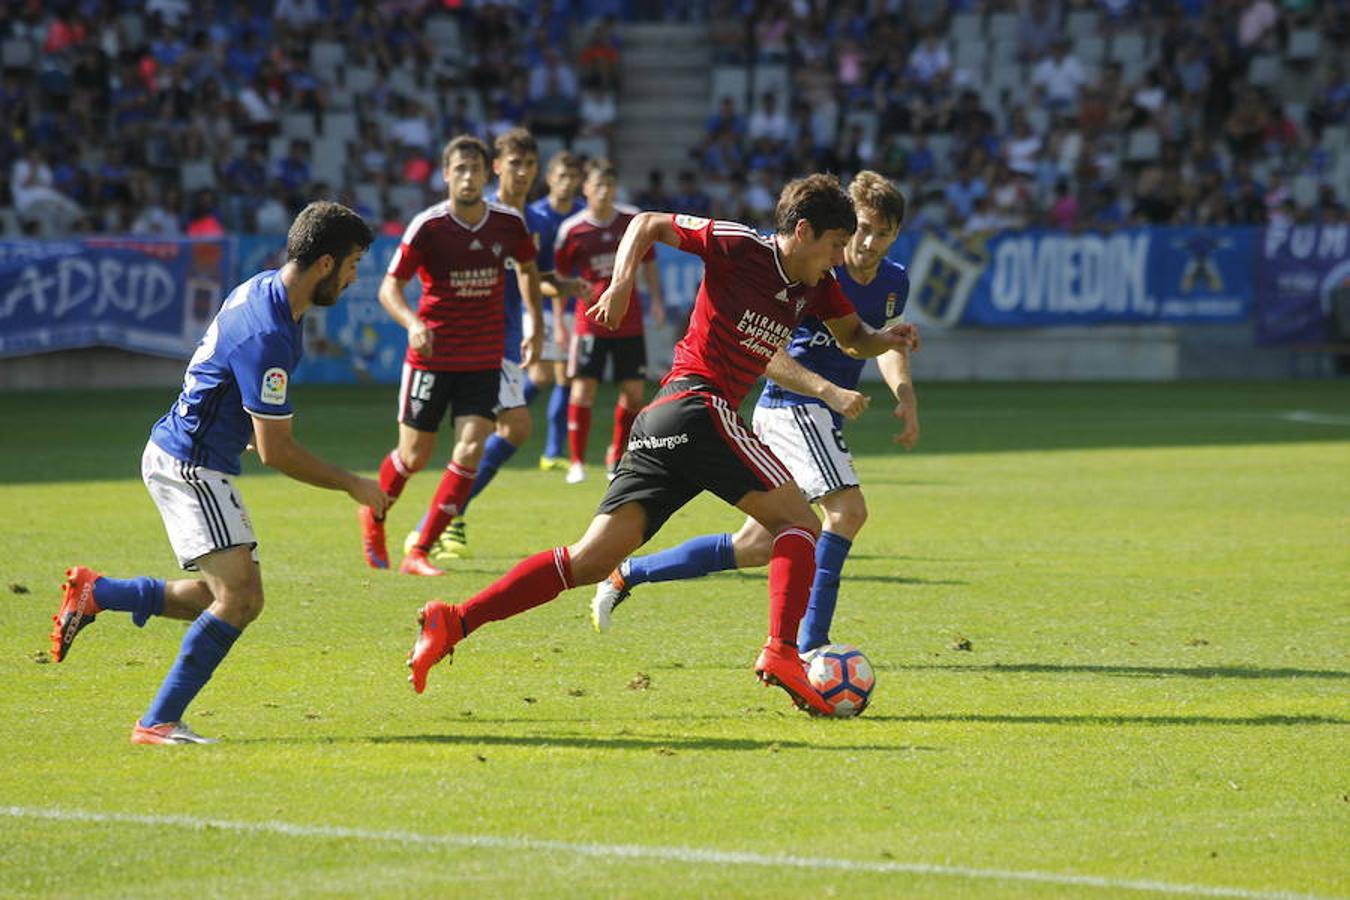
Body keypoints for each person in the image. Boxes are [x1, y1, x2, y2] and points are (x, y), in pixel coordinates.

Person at [405, 174, 920, 716]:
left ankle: (455, 619)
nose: (840, 258)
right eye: (837, 244)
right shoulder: (739, 244)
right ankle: (782, 652)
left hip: (663, 424)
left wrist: (889, 338)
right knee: (801, 527)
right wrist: (621, 282)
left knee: (586, 561)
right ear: (803, 230)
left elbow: (853, 337)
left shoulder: (818, 285)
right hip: (698, 404)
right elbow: (647, 224)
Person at [50, 201, 386, 744]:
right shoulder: (270, 332)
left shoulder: (264, 291)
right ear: (325, 263)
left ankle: (99, 593)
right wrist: (353, 482)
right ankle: (157, 721)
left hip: (195, 456)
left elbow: (228, 384)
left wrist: (245, 428)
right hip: (190, 465)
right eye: (352, 265)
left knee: (217, 598)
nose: (353, 278)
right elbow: (277, 451)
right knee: (242, 598)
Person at [590, 172, 917, 654]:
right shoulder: (808, 263)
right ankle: (810, 647)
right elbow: (762, 348)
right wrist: (825, 389)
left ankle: (631, 572)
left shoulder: (891, 281)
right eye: (860, 229)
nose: (866, 243)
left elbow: (867, 340)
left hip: (820, 411)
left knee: (758, 546)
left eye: (881, 233)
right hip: (795, 406)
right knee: (846, 512)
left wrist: (901, 383)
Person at [358, 135, 543, 576]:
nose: (467, 177)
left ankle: (420, 549)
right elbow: (389, 288)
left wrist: (535, 321)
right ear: (445, 175)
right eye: (458, 169)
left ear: (486, 173)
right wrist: (414, 324)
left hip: (482, 356)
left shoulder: (508, 223)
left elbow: (529, 271)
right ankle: (374, 513)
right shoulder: (429, 226)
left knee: (471, 447)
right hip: (432, 358)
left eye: (474, 169)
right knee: (414, 456)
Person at [402, 128, 585, 560]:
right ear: (496, 168)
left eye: (529, 165)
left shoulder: (536, 222)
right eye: (514, 164)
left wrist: (563, 287)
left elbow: (531, 277)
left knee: (509, 428)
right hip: (474, 335)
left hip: (506, 331)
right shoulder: (483, 213)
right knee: (511, 427)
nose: (522, 173)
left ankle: (446, 516)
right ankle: (444, 518)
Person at [554, 157, 666, 484]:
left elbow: (649, 265)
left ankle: (616, 457)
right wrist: (559, 322)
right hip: (589, 322)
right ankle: (576, 461)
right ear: (586, 189)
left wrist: (656, 301)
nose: (603, 192)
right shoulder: (572, 229)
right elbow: (560, 278)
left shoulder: (632, 221)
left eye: (609, 186)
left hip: (628, 320)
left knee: (633, 393)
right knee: (582, 390)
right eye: (597, 186)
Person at [527, 150, 586, 472]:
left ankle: (551, 451)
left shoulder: (581, 214)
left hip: (572, 306)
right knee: (541, 375)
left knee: (563, 377)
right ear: (550, 178)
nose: (567, 183)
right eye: (561, 176)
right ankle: (502, 418)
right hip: (539, 304)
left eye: (573, 177)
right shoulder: (537, 215)